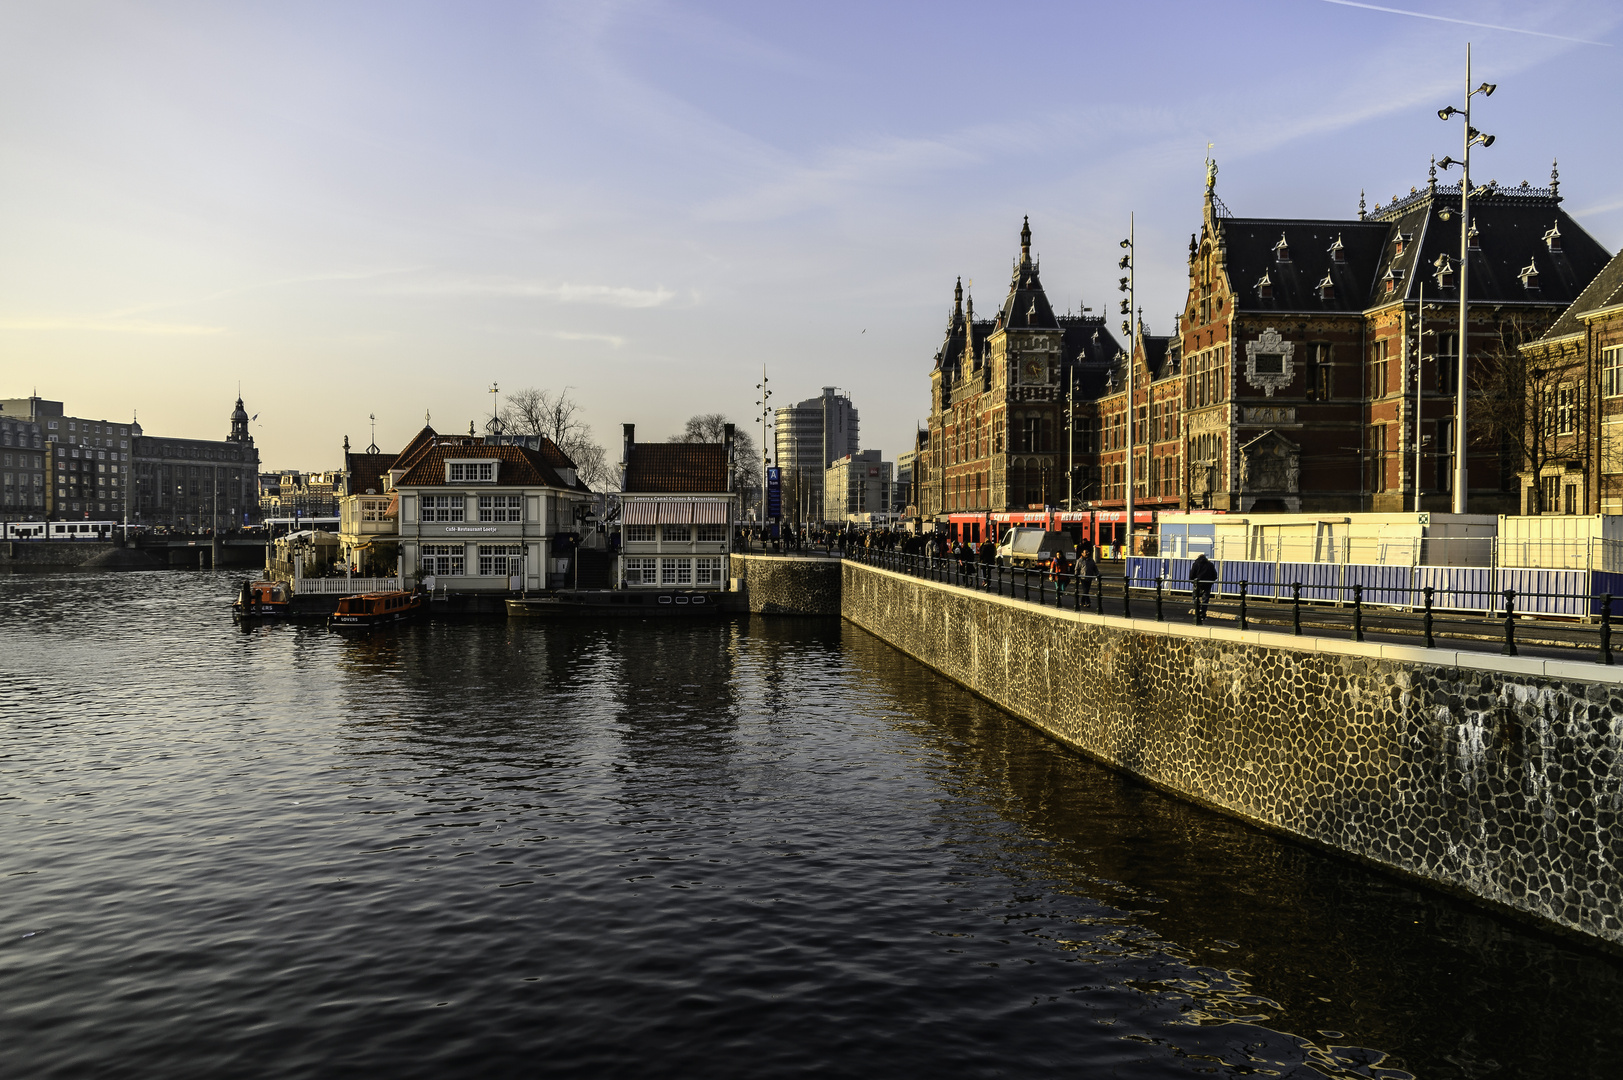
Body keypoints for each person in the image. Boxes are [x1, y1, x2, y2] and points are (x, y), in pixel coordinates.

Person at [1189, 552, 1218, 623]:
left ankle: (1197, 611)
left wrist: (1193, 582)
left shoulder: (1195, 564)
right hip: (1207, 584)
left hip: (1198, 583)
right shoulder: (1210, 564)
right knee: (1205, 599)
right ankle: (1203, 613)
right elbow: (1214, 575)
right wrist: (1211, 582)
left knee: (1195, 597)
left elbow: (1192, 575)